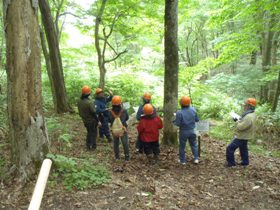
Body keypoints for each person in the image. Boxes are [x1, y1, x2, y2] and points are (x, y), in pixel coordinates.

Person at [226, 98, 257, 167]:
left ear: (249, 106)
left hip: (242, 136)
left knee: (230, 148)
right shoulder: (252, 113)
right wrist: (238, 119)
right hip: (246, 135)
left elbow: (240, 127)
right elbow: (245, 123)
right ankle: (245, 162)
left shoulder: (248, 116)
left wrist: (237, 121)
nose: (244, 106)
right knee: (243, 149)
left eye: (245, 105)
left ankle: (231, 164)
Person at [173, 96, 199, 165]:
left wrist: (174, 120)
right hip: (192, 130)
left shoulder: (179, 112)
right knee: (194, 144)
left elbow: (177, 123)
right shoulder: (193, 110)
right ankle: (196, 158)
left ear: (181, 103)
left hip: (184, 131)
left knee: (182, 146)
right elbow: (197, 120)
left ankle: (183, 161)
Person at [77, 85, 99, 150]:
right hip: (91, 120)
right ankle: (93, 146)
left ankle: (88, 145)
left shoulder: (79, 101)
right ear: (88, 93)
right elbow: (94, 112)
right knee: (93, 133)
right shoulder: (89, 102)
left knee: (89, 132)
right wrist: (97, 120)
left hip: (85, 120)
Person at [108, 95, 130, 161]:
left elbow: (109, 120)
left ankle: (117, 157)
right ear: (120, 103)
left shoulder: (110, 111)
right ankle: (127, 157)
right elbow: (127, 118)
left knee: (116, 143)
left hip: (114, 130)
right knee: (125, 143)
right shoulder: (124, 110)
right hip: (123, 129)